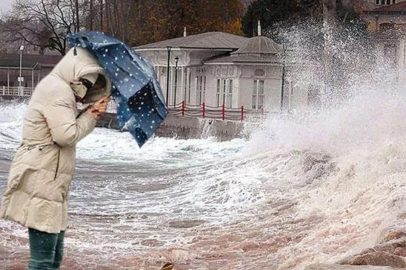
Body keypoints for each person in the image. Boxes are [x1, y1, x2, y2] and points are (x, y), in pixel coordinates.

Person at [0, 46, 112, 269]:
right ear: (74, 71)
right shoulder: (58, 91)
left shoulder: (60, 90)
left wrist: (88, 111)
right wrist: (89, 115)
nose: (85, 89)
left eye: (90, 85)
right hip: (42, 179)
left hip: (52, 183)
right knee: (43, 262)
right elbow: (65, 136)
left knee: (53, 259)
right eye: (85, 82)